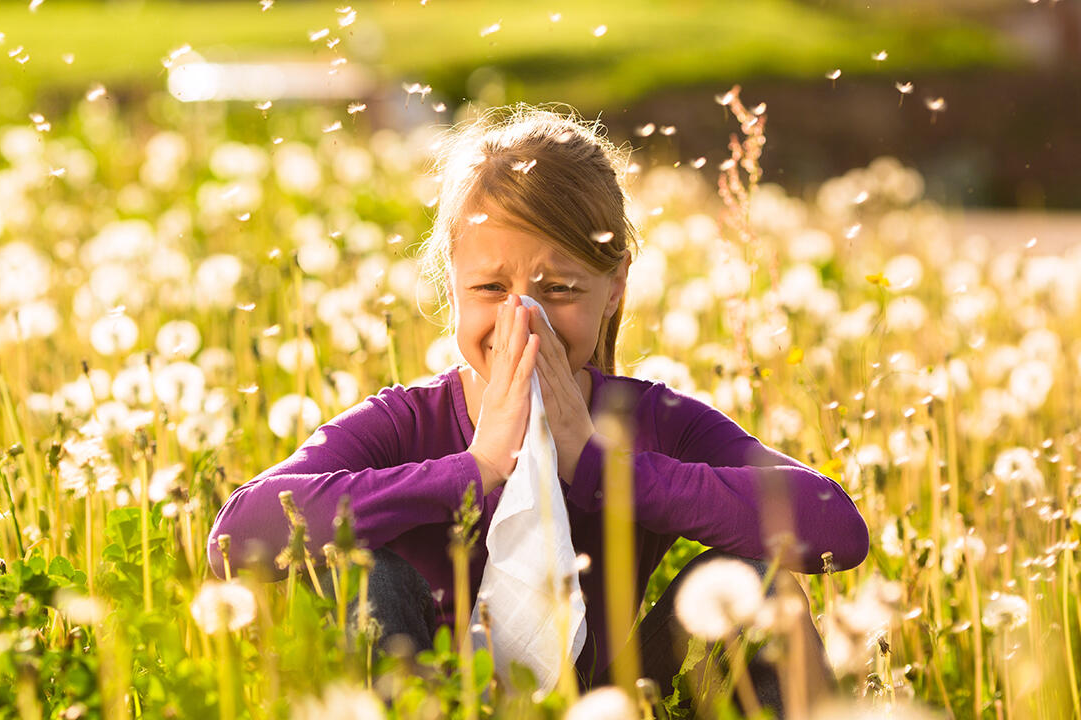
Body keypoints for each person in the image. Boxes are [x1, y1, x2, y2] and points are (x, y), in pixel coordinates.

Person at [206, 105, 870, 713]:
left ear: (615, 289)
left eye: (559, 289)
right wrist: (475, 468)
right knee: (363, 576)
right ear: (452, 285)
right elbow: (236, 538)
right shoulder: (407, 422)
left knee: (759, 586)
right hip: (429, 698)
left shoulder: (651, 422)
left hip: (608, 703)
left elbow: (835, 527)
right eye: (492, 288)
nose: (522, 319)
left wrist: (605, 469)